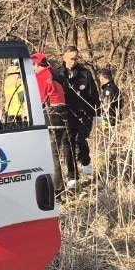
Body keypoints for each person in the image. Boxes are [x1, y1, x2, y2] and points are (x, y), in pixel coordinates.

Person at [52, 48, 99, 178]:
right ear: (64, 58)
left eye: (76, 59)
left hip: (84, 113)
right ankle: (72, 174)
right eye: (71, 59)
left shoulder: (85, 73)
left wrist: (97, 112)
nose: (73, 61)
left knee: (80, 139)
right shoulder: (57, 74)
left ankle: (85, 162)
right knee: (67, 142)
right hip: (66, 114)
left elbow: (93, 94)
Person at [33, 52, 77, 186]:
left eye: (33, 66)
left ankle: (57, 189)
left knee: (52, 155)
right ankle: (58, 186)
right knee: (55, 153)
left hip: (51, 117)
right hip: (61, 117)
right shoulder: (54, 74)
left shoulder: (42, 76)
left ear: (35, 64)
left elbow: (38, 100)